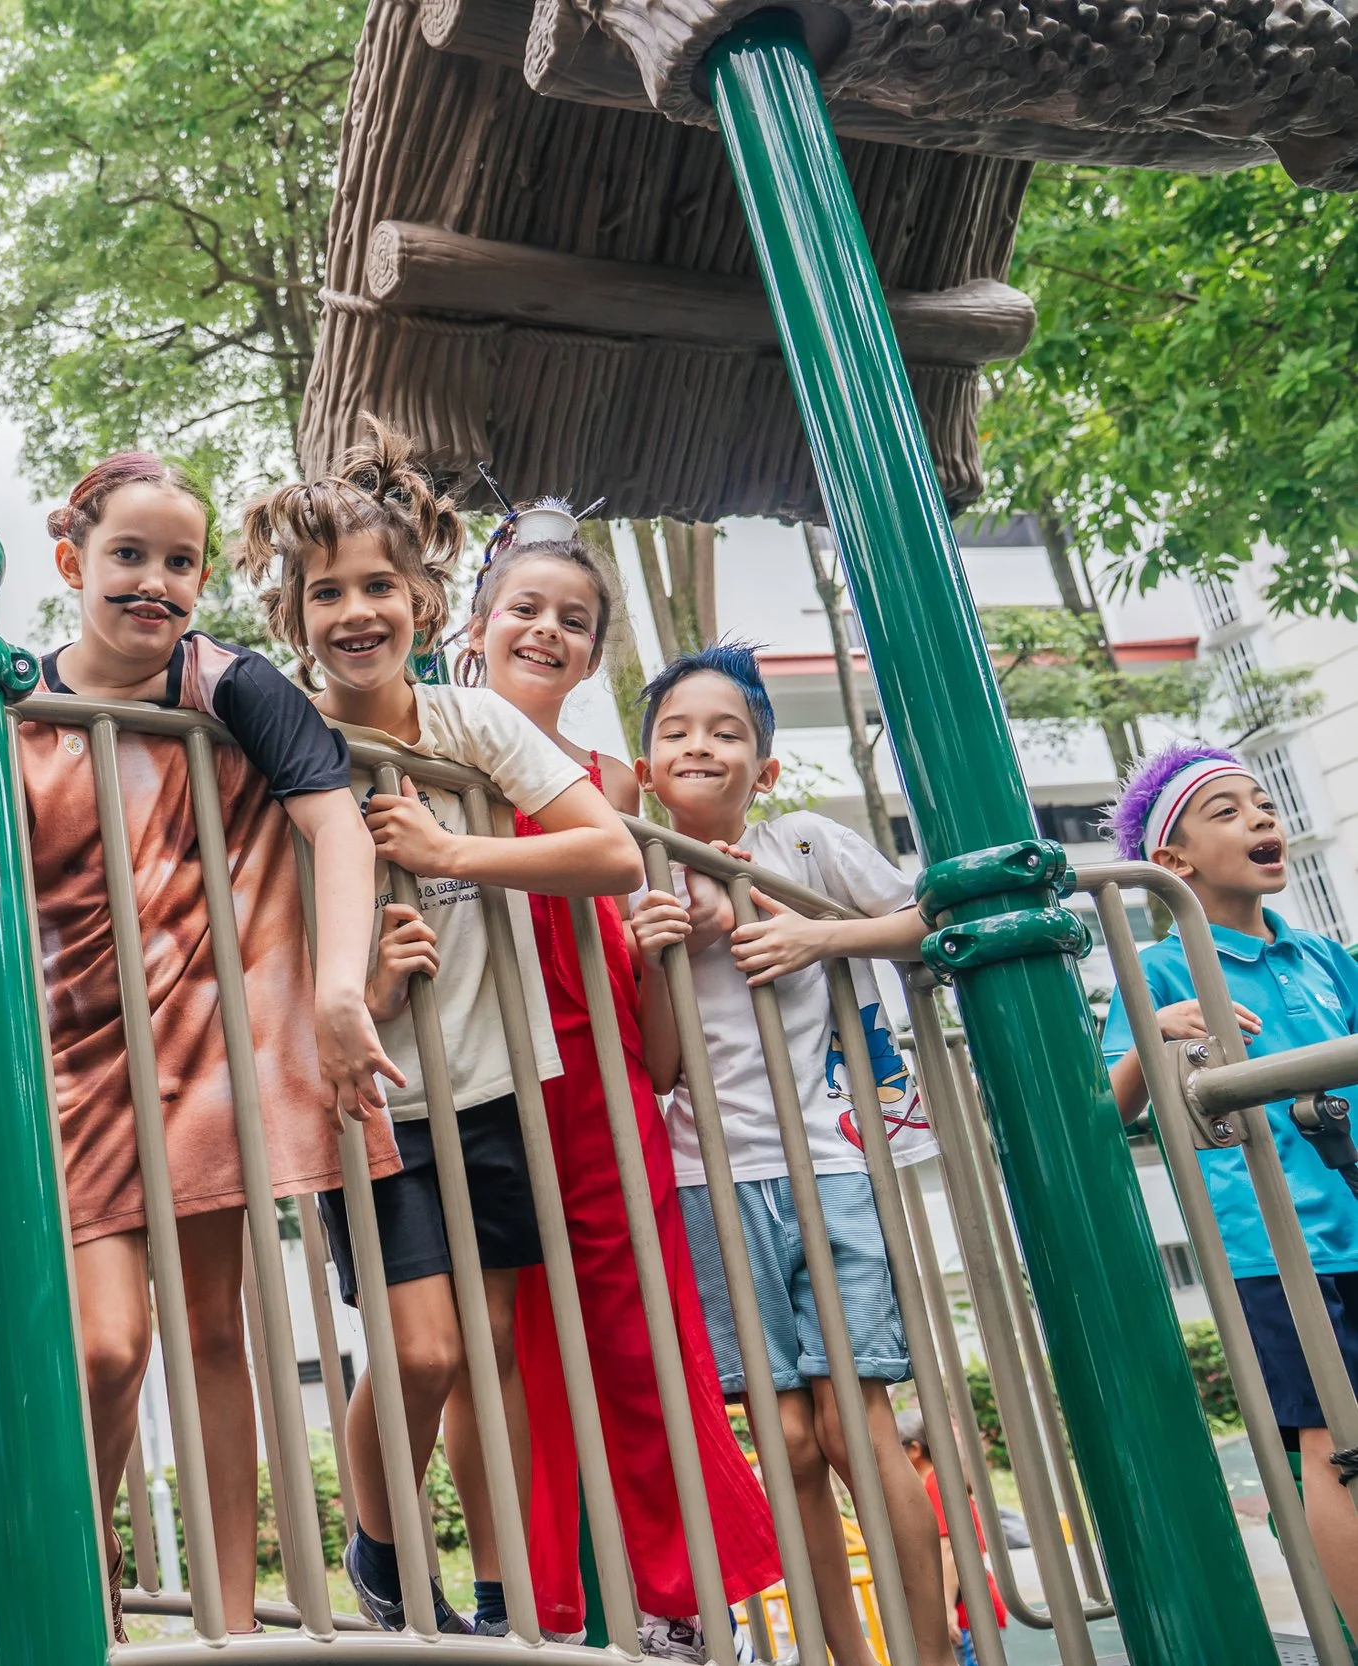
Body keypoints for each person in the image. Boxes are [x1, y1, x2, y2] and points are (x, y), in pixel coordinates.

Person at [236, 417, 642, 1636]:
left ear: (421, 597)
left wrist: (455, 847)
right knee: (417, 1351)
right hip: (370, 1091)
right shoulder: (282, 731)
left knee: (490, 1354)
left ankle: (509, 1596)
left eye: (377, 586)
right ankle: (377, 1551)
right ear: (292, 616)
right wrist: (364, 979)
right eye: (326, 593)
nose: (355, 611)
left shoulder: (469, 726)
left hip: (494, 1082)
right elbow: (249, 915)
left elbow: (613, 850)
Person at [20, 451, 402, 1638]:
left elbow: (332, 822)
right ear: (69, 557)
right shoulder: (11, 703)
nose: (154, 582)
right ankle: (83, 1601)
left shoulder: (225, 681)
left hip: (200, 1039)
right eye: (127, 555)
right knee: (101, 1344)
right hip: (72, 1052)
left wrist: (339, 991)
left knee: (206, 1324)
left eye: (178, 561)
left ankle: (230, 1621)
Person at [458, 505, 780, 1658]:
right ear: (480, 623)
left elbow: (655, 1019)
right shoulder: (428, 750)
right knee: (496, 1344)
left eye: (575, 620)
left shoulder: (612, 786)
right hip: (483, 1074)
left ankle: (681, 1595)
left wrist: (673, 929)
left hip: (597, 1072)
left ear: (594, 653)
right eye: (527, 609)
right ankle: (530, 1605)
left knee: (642, 1333)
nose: (548, 630)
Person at [624, 642, 951, 1666]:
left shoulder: (804, 847)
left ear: (762, 769)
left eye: (726, 732)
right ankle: (844, 1655)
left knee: (857, 1422)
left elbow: (927, 914)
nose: (700, 745)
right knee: (788, 1440)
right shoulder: (640, 876)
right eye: (676, 731)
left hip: (828, 1169)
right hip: (706, 1186)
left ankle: (932, 1651)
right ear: (645, 770)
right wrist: (660, 954)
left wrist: (819, 937)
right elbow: (665, 1067)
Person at [1101, 742, 1358, 1623]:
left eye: (1265, 805)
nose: (1261, 818)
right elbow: (1108, 1104)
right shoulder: (1163, 968)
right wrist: (1155, 1033)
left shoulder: (1324, 959)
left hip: (1354, 1215)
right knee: (1333, 1443)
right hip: (1273, 1246)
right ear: (1171, 861)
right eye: (1228, 811)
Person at [897, 1407, 1004, 1665]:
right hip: (967, 1611)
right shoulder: (932, 1483)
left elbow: (949, 1551)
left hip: (966, 1614)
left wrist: (945, 1612)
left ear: (914, 1449)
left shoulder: (937, 1484)